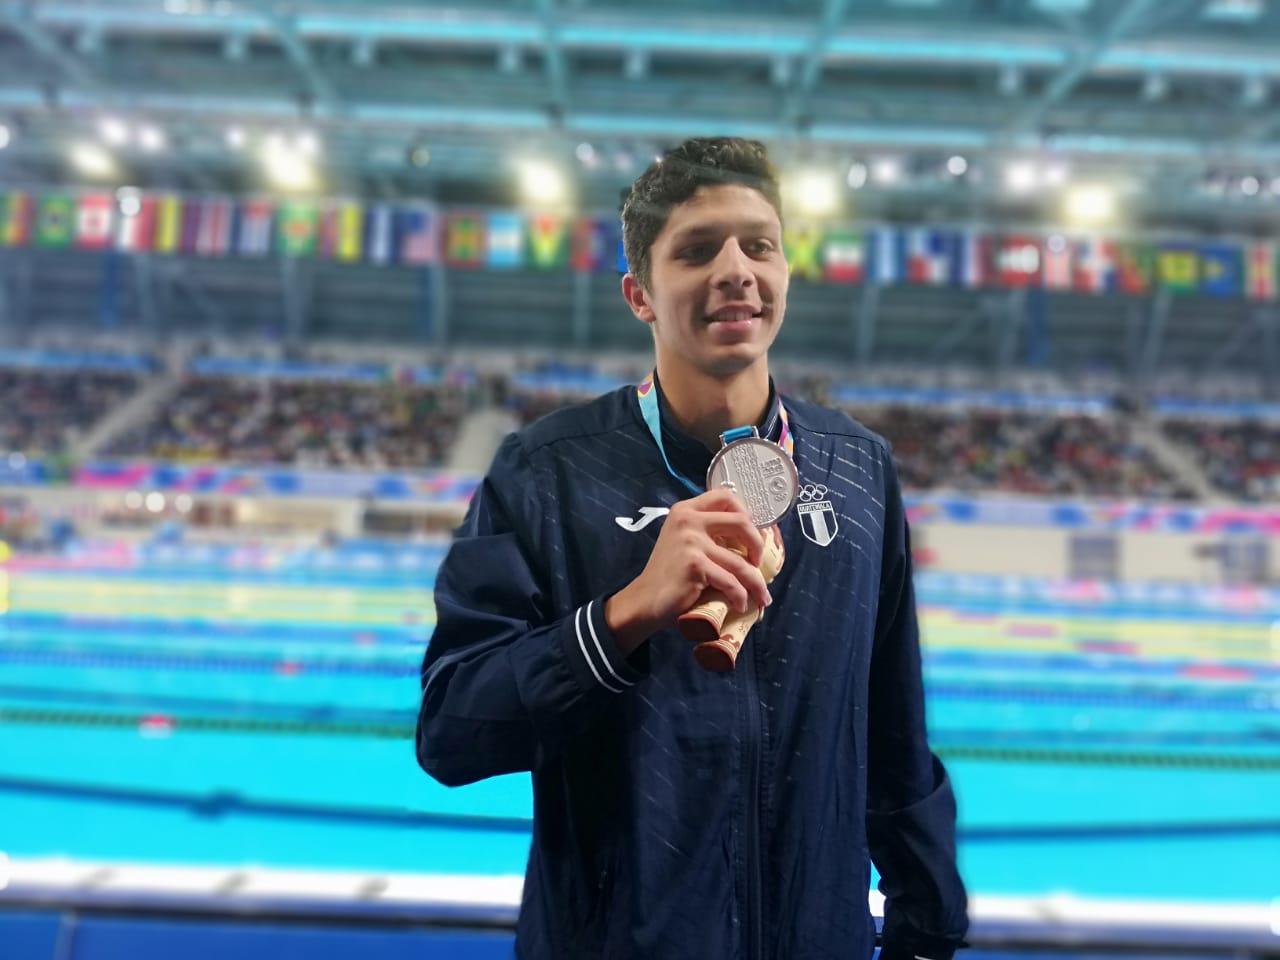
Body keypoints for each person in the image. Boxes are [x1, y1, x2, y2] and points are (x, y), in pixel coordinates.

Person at [417, 137, 968, 959]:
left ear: (785, 273)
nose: (736, 269)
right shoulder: (548, 473)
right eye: (697, 250)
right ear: (640, 295)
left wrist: (928, 929)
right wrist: (622, 617)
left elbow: (892, 725)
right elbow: (453, 731)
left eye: (760, 245)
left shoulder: (858, 470)